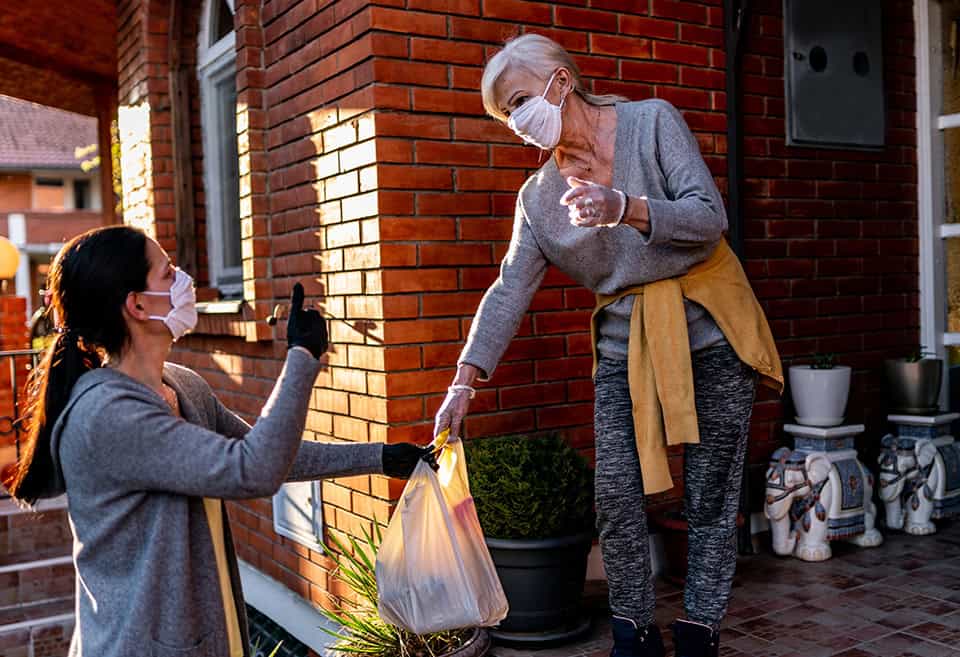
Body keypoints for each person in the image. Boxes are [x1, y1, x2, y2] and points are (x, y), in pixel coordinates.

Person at [432, 34, 783, 657]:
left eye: (517, 103)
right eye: (503, 116)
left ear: (560, 83)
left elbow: (708, 218)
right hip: (626, 349)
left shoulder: (652, 123)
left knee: (709, 491)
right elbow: (509, 288)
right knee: (616, 496)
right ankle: (634, 636)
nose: (515, 124)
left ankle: (701, 628)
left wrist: (625, 206)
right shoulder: (538, 199)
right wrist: (464, 378)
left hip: (712, 327)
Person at [3, 225, 434, 657]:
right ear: (136, 305)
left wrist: (379, 457)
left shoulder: (182, 386)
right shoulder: (108, 415)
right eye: (168, 273)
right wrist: (302, 359)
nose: (185, 280)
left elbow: (271, 453)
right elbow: (255, 470)